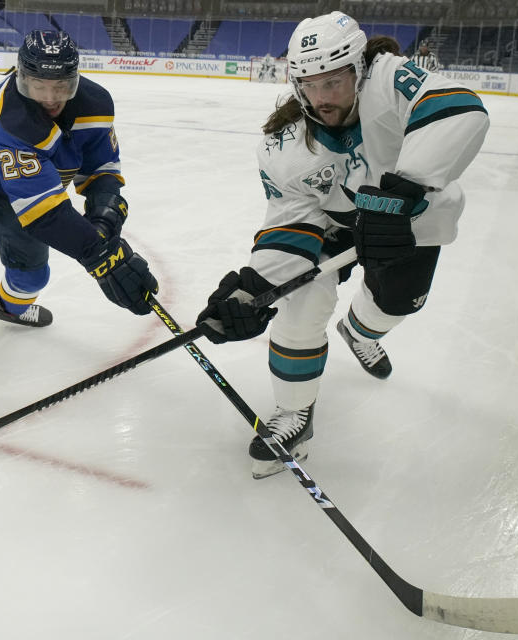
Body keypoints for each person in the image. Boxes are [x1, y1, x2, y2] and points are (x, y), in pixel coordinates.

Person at [196, 12, 489, 479]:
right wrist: (255, 287)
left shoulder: (388, 77)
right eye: (310, 84)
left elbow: (458, 108)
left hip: (407, 215)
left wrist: (400, 191)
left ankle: (361, 332)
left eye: (334, 81)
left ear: (358, 68)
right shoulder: (282, 147)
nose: (322, 97)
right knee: (300, 302)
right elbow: (291, 222)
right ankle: (294, 413)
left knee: (396, 303)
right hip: (335, 224)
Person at [0, 30, 159, 402]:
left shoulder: (96, 104)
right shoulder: (10, 118)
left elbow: (101, 173)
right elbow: (44, 214)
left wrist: (104, 223)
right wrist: (101, 257)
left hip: (18, 190)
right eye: (37, 86)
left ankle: (10, 310)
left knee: (32, 275)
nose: (49, 98)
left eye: (61, 86)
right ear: (19, 77)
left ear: (75, 79)